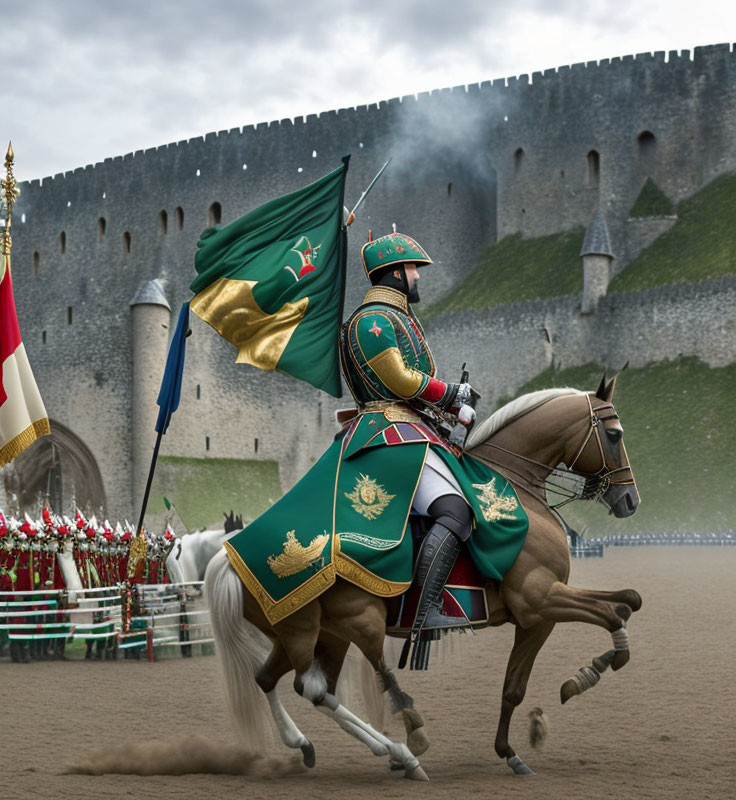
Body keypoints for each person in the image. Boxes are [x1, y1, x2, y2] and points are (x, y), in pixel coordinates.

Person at [339, 232, 478, 636]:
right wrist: (452, 391)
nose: (417, 276)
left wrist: (452, 407)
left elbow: (413, 388)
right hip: (391, 431)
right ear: (396, 273)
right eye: (413, 269)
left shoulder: (393, 317)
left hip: (409, 425)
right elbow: (399, 380)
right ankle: (428, 606)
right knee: (457, 511)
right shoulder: (374, 321)